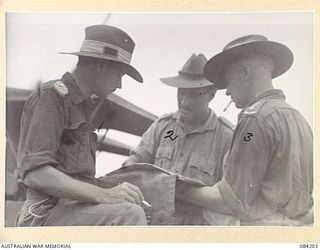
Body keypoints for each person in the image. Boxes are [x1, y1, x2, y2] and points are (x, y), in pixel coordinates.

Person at [16, 25, 148, 226]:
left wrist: (117, 189)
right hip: (44, 212)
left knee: (144, 209)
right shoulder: (52, 97)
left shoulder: (82, 106)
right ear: (102, 66)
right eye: (119, 75)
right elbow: (36, 174)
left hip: (72, 209)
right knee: (129, 215)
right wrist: (105, 194)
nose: (119, 85)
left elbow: (79, 178)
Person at [176, 34, 313, 226]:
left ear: (245, 73)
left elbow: (232, 202)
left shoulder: (254, 119)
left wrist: (177, 188)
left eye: (228, 80)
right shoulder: (298, 118)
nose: (227, 91)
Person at [124, 53, 234, 225]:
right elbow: (132, 167)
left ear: (211, 94)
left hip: (195, 230)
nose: (184, 102)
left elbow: (229, 197)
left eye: (194, 95)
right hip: (152, 222)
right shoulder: (162, 127)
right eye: (181, 93)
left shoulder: (226, 137)